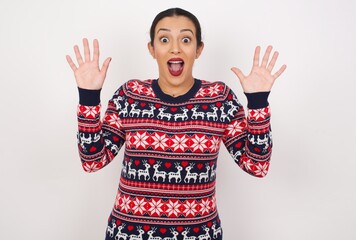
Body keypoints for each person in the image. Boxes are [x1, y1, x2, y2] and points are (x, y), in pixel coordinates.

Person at [66, 7, 286, 240]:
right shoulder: (130, 95)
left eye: (185, 39)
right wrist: (88, 96)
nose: (175, 48)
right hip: (128, 234)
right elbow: (92, 160)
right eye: (164, 39)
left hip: (200, 234)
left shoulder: (219, 99)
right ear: (152, 49)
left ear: (198, 49)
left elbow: (256, 165)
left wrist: (258, 102)